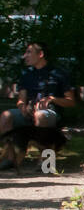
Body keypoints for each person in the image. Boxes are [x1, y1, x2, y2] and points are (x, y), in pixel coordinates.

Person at [0, 41, 77, 170]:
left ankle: (45, 161)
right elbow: (21, 100)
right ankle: (10, 158)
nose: (25, 56)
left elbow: (71, 101)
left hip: (50, 113)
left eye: (29, 52)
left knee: (40, 115)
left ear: (40, 54)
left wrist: (53, 99)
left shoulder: (59, 74)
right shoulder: (26, 75)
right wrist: (22, 108)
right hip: (29, 112)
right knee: (5, 116)